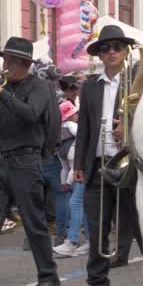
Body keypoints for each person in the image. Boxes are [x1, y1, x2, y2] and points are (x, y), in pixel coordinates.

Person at [0, 36, 60, 286]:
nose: (6, 65)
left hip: (25, 160)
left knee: (33, 222)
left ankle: (48, 275)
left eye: (11, 61)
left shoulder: (39, 86)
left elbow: (31, 115)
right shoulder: (2, 86)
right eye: (6, 60)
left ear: (24, 63)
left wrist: (3, 95)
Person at [72, 24, 141, 286]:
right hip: (99, 163)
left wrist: (129, 128)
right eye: (105, 48)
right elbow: (85, 127)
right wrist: (79, 164)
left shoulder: (136, 80)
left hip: (130, 162)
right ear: (99, 55)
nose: (111, 52)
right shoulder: (90, 86)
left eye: (117, 47)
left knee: (140, 225)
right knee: (97, 227)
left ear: (126, 51)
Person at [53, 100, 87, 257]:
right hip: (79, 172)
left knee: (75, 203)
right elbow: (67, 166)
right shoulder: (66, 139)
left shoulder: (67, 135)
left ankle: (72, 241)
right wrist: (65, 182)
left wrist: (66, 182)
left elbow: (70, 166)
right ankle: (90, 240)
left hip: (82, 172)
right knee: (82, 206)